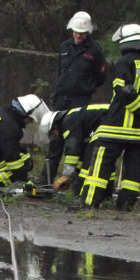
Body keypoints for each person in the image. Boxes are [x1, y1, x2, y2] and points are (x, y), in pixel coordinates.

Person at [80, 23, 140, 210]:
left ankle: (89, 202)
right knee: (133, 169)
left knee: (101, 163)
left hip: (116, 127)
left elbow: (123, 90)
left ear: (125, 43)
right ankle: (126, 204)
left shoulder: (125, 62)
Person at [37, 11, 106, 186]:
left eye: (81, 33)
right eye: (75, 32)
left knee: (76, 141)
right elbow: (61, 71)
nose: (78, 36)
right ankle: (45, 180)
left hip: (79, 102)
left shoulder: (95, 51)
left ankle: (75, 181)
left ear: (88, 32)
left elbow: (101, 77)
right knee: (56, 141)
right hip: (61, 100)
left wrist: (86, 88)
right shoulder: (64, 47)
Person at [0, 94, 48, 196]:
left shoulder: (3, 113)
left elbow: (9, 145)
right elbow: (11, 157)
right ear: (25, 114)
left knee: (23, 154)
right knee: (23, 163)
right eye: (31, 119)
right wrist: (25, 179)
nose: (30, 122)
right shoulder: (11, 127)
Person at [39, 104, 110, 196]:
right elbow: (81, 152)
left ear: (55, 125)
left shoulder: (68, 122)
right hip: (112, 118)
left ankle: (82, 193)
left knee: (90, 159)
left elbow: (73, 150)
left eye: (53, 133)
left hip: (112, 118)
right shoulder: (73, 118)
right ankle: (103, 194)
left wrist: (66, 175)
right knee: (90, 156)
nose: (55, 136)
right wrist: (74, 175)